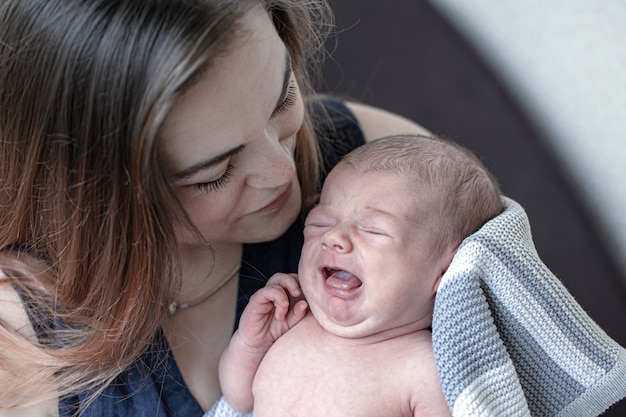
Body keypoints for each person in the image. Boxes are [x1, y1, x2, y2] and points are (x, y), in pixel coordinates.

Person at [0, 1, 431, 416]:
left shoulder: (389, 169)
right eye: (215, 172)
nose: (283, 173)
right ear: (97, 196)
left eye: (282, 99)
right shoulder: (18, 348)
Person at [219, 134, 504, 416]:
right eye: (320, 222)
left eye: (372, 229)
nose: (333, 237)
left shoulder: (422, 370)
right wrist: (250, 343)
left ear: (446, 272)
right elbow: (239, 399)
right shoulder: (294, 322)